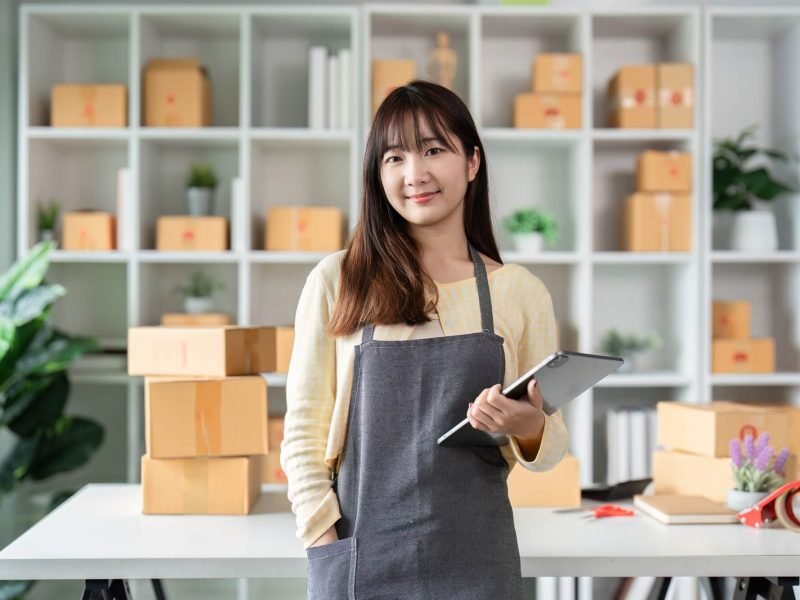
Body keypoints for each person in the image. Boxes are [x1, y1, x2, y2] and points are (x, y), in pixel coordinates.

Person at [282, 79, 569, 599]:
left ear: (472, 162)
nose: (415, 174)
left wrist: (528, 427)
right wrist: (327, 543)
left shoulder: (520, 293)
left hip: (478, 564)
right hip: (358, 561)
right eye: (394, 157)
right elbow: (303, 435)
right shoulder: (337, 281)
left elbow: (551, 449)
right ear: (378, 173)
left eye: (434, 150)